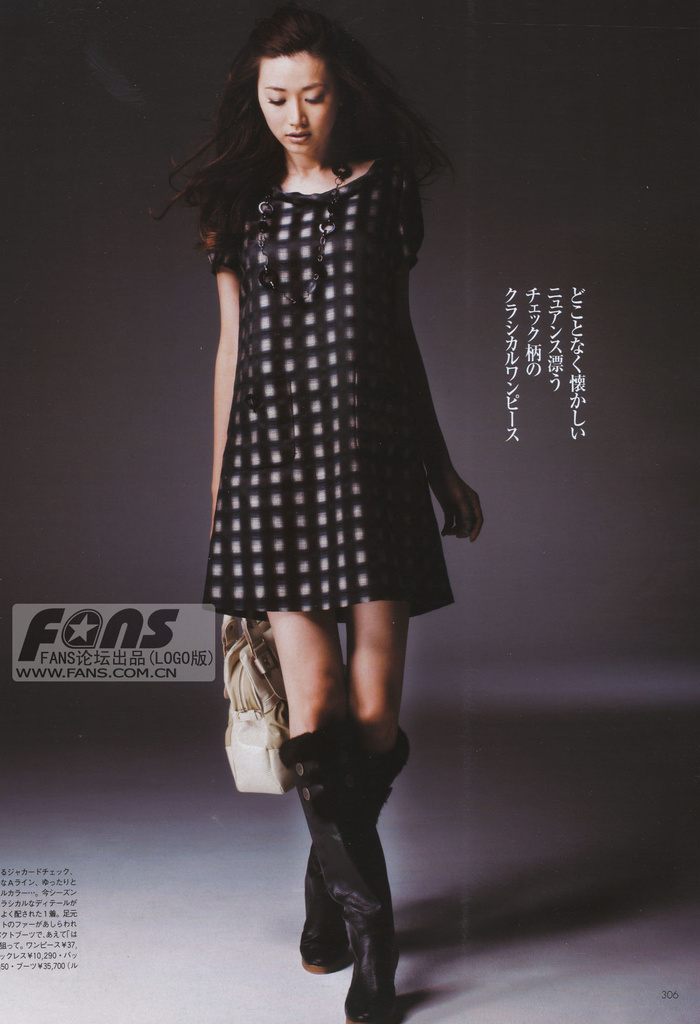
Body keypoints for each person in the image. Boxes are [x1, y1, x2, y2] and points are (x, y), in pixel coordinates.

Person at [163, 5, 482, 1022]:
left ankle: (325, 887)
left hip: (373, 470)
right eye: (275, 98)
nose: (294, 115)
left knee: (373, 720)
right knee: (316, 708)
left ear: (342, 92)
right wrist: (221, 495)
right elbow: (230, 353)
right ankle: (374, 946)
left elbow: (398, 337)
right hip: (274, 480)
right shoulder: (238, 204)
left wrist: (441, 469)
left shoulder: (386, 192)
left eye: (311, 95)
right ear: (251, 100)